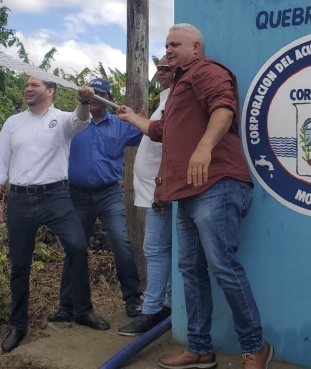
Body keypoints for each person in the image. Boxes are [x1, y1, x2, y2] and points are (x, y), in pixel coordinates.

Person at [116, 24, 273, 369]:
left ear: (197, 47)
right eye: (166, 44)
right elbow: (159, 131)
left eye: (175, 44)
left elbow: (223, 108)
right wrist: (131, 119)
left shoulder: (206, 71)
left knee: (222, 267)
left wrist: (204, 147)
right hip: (185, 193)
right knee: (190, 269)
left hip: (217, 183)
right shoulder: (176, 90)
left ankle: (255, 346)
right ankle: (200, 348)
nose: (168, 49)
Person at [0, 76, 109, 353]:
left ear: (50, 91)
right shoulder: (13, 123)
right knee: (19, 265)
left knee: (78, 247)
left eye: (34, 85)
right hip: (19, 199)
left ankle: (82, 310)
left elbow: (81, 120)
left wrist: (83, 100)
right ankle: (18, 325)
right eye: (27, 85)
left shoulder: (63, 119)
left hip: (55, 196)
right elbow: (0, 164)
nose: (28, 89)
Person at [48, 77, 143, 324]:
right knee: (75, 247)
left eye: (99, 93)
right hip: (77, 195)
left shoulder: (121, 125)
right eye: (90, 93)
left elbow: (152, 135)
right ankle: (66, 306)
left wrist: (142, 119)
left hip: (109, 193)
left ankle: (133, 298)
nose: (93, 98)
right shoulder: (75, 123)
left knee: (121, 241)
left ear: (108, 99)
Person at [118, 56, 174, 336]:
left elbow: (163, 137)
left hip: (160, 190)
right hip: (157, 189)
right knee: (165, 250)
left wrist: (134, 118)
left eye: (166, 67)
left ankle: (153, 311)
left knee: (156, 249)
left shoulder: (175, 98)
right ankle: (167, 305)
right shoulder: (166, 98)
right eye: (159, 67)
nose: (160, 71)